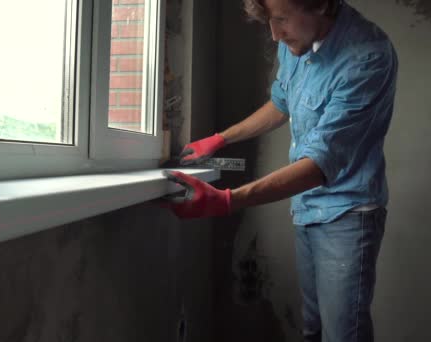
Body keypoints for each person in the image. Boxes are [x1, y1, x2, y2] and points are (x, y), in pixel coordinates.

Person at [162, 0, 397, 341]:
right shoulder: (296, 41)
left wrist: (227, 200)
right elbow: (281, 103)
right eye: (271, 21)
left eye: (282, 19)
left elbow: (319, 164)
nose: (274, 34)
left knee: (343, 335)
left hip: (348, 214)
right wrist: (219, 139)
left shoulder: (367, 57)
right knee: (312, 328)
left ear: (320, 4)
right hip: (306, 207)